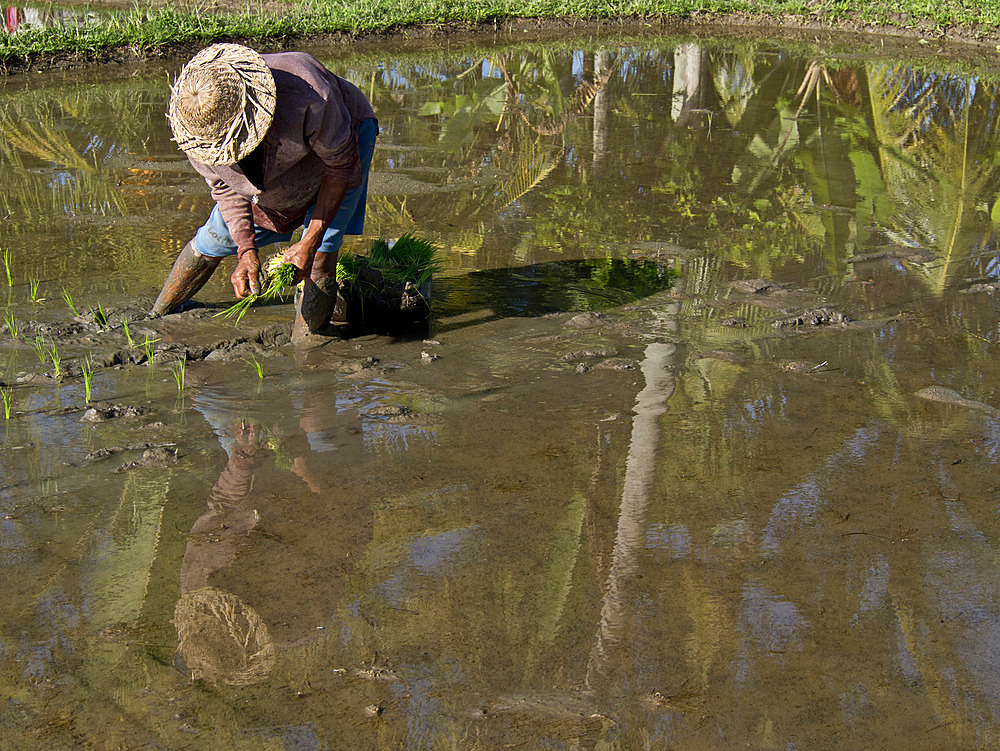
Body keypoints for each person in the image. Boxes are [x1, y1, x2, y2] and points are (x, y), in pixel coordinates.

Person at [151, 43, 377, 341]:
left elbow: (340, 167)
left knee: (322, 253)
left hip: (340, 148)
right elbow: (225, 189)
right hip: (266, 171)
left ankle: (312, 347)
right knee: (213, 238)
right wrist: (246, 251)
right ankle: (156, 317)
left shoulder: (309, 93)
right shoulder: (197, 132)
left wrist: (309, 241)